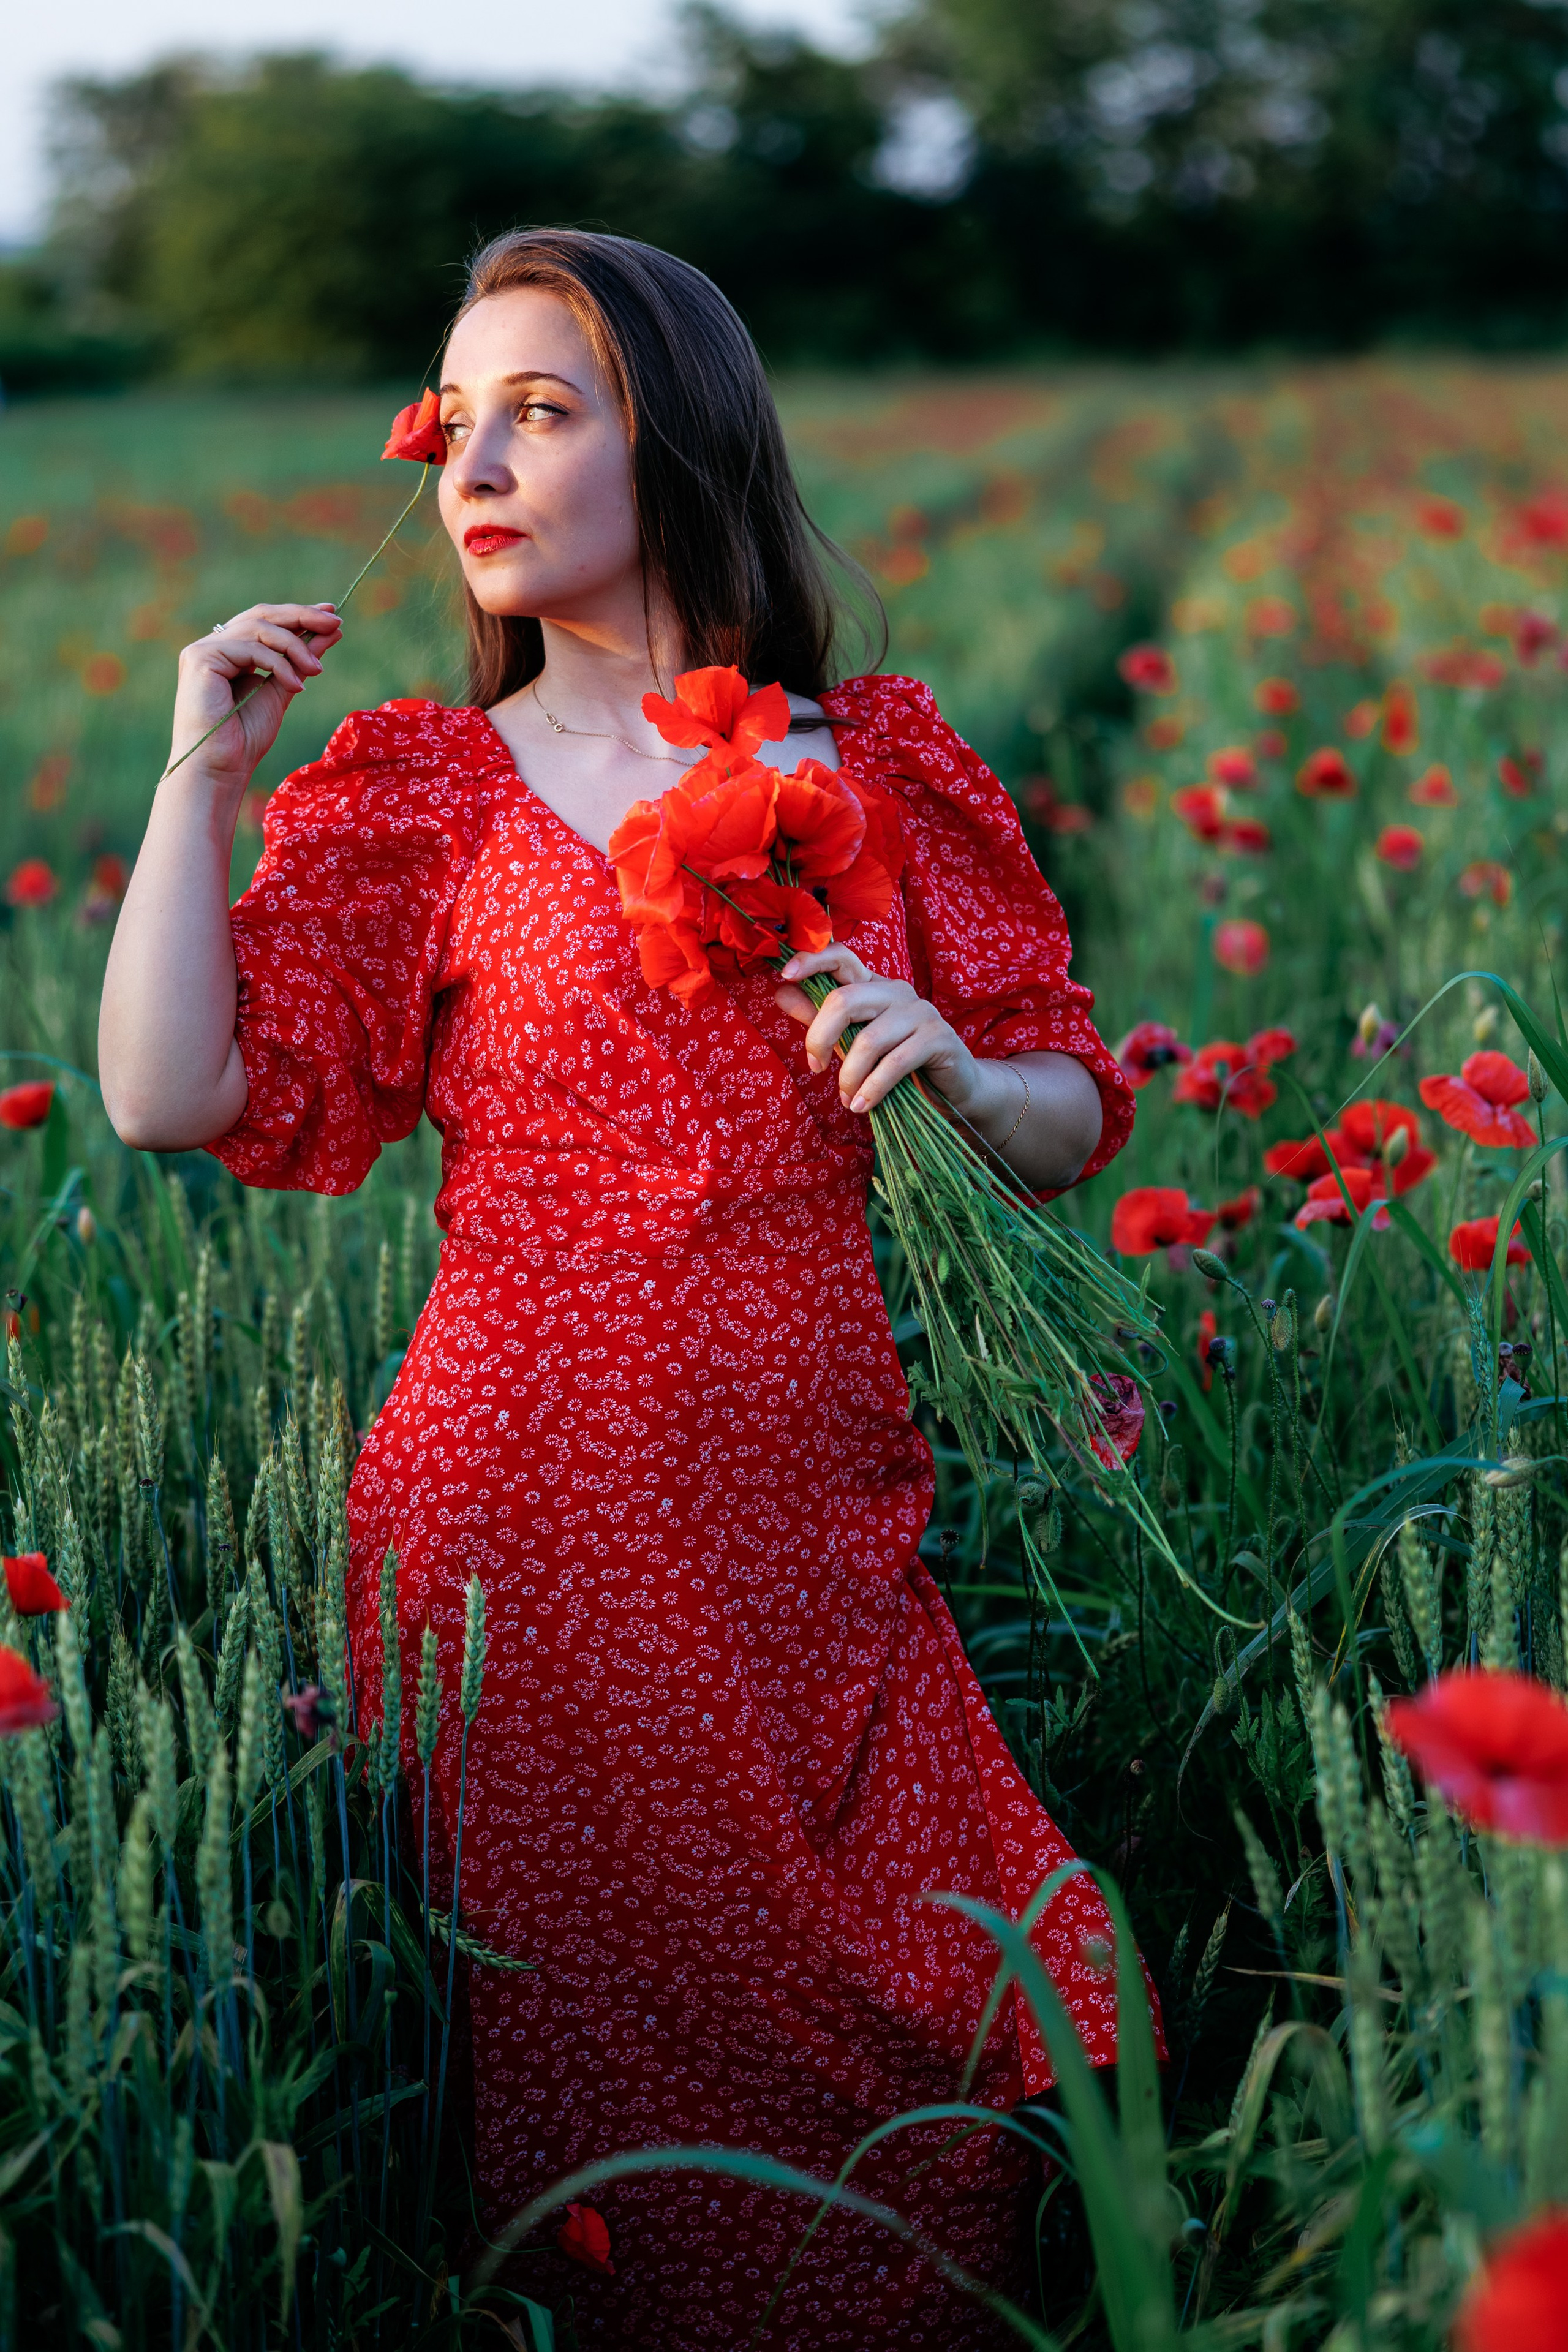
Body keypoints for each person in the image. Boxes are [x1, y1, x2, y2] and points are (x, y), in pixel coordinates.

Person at [99, 228, 1144, 2350]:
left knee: (923, 2017)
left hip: (811, 1514)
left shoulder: (872, 762)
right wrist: (200, 775)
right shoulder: (430, 791)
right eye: (454, 418)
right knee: (592, 2111)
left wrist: (959, 1071)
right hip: (516, 1528)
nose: (474, 464)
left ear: (684, 441)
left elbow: (1067, 1110)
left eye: (542, 411)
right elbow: (167, 1095)